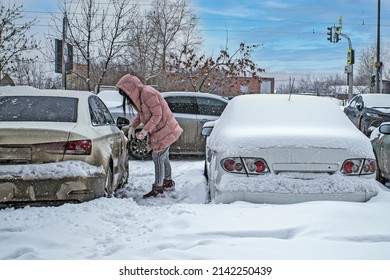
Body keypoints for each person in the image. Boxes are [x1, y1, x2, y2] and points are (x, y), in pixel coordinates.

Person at [116, 74, 183, 198]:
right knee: (164, 157)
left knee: (157, 156)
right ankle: (168, 182)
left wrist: (146, 130)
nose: (126, 97)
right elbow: (142, 114)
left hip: (165, 130)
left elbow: (157, 114)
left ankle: (158, 189)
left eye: (125, 93)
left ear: (131, 89)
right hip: (163, 129)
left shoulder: (147, 93)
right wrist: (132, 126)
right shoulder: (141, 96)